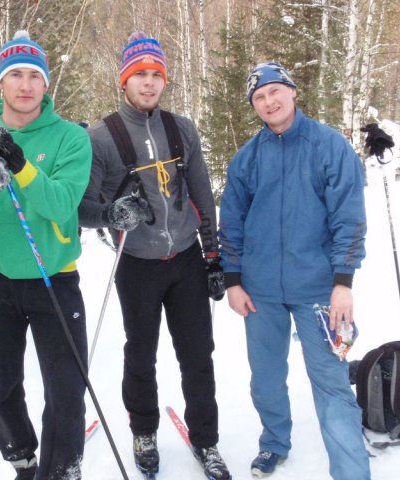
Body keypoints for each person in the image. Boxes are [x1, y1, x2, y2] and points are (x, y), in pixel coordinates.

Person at [78, 31, 231, 480]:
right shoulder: (101, 137)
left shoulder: (180, 128)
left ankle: (207, 440)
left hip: (184, 259)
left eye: (156, 75)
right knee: (140, 353)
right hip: (137, 264)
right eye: (139, 74)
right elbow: (83, 210)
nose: (148, 83)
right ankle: (143, 430)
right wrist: (113, 211)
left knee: (198, 354)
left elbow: (202, 193)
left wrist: (214, 256)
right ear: (123, 81)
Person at [0, 30, 92, 480]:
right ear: (0, 83)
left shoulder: (70, 138)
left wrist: (21, 164)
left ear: (46, 85)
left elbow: (61, 205)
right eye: (15, 75)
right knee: (4, 384)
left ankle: (63, 469)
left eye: (34, 75)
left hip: (54, 278)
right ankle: (23, 461)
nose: (25, 85)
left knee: (66, 389)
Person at [218, 62, 370, 480]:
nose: (268, 102)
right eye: (259, 98)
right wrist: (233, 280)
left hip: (319, 288)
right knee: (265, 378)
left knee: (332, 383)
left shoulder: (329, 146)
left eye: (273, 92)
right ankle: (274, 443)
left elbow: (350, 218)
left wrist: (343, 282)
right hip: (260, 289)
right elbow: (230, 222)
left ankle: (352, 471)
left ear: (292, 91)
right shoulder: (247, 158)